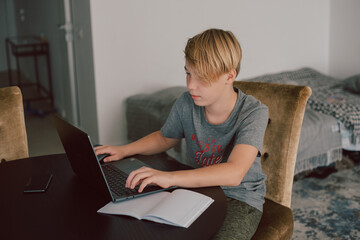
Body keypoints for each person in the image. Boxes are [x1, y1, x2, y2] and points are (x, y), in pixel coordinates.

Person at [95, 28, 268, 240]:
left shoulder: (254, 112)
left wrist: (170, 178)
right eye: (188, 73)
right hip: (198, 190)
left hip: (240, 199)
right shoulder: (187, 103)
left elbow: (234, 173)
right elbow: (165, 137)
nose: (191, 86)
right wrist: (123, 150)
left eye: (202, 79)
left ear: (229, 76)